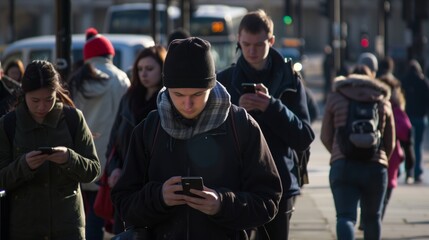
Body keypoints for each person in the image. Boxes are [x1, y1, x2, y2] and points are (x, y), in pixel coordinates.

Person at [111, 37, 282, 239]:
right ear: (166, 89)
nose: (188, 104)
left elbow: (268, 201)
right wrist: (159, 198)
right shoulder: (149, 129)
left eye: (198, 94)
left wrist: (222, 204)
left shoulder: (241, 125)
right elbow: (123, 203)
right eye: (178, 94)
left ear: (212, 86)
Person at [217, 9, 315, 240]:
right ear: (238, 40)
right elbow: (212, 134)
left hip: (279, 181)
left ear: (271, 41)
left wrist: (272, 106)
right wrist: (236, 111)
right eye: (246, 44)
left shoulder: (290, 79)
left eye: (259, 45)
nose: (251, 51)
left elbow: (304, 136)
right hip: (234, 181)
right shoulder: (224, 81)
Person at [0, 60, 100, 240]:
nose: (42, 107)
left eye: (49, 99)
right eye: (35, 100)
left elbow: (93, 170)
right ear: (24, 94)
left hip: (68, 228)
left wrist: (69, 158)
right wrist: (23, 165)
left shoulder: (73, 119)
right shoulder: (9, 124)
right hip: (25, 229)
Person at [70, 27, 131, 240]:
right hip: (110, 158)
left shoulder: (77, 81)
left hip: (83, 156)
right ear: (110, 55)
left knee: (84, 215)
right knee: (106, 216)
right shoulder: (121, 79)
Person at [320, 73, 395, 240]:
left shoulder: (336, 97)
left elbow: (325, 136)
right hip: (376, 168)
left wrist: (338, 154)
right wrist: (381, 160)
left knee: (345, 217)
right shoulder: (383, 101)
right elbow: (391, 142)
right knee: (372, 218)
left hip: (344, 166)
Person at [105, 45, 167, 234]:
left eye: (150, 69)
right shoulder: (129, 98)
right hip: (126, 181)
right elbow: (114, 141)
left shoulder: (168, 101)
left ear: (163, 69)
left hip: (153, 185)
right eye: (140, 69)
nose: (144, 74)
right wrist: (113, 169)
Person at [377, 73, 413, 218]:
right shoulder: (395, 107)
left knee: (370, 194)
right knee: (384, 197)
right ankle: (375, 220)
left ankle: (368, 219)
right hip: (390, 158)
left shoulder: (372, 101)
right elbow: (406, 131)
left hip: (372, 155)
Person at [400, 59, 429, 183]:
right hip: (421, 118)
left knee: (407, 146)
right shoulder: (423, 82)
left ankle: (408, 171)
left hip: (407, 118)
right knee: (418, 145)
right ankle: (417, 171)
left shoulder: (404, 81)